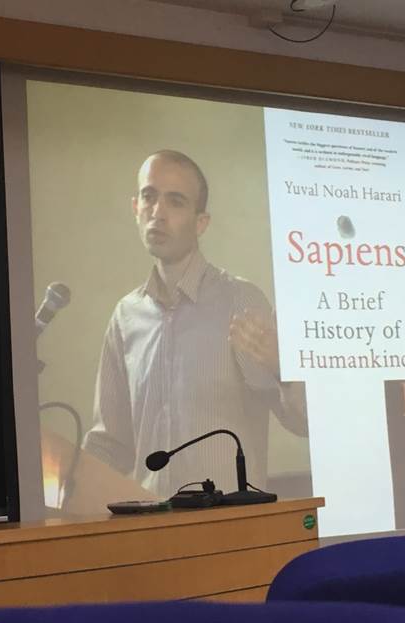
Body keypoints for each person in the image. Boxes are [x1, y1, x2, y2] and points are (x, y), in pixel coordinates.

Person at [83, 150, 307, 498]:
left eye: (175, 201)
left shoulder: (241, 301)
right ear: (136, 208)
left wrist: (284, 369)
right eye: (149, 196)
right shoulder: (125, 315)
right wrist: (63, 484)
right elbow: (111, 443)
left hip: (230, 521)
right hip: (151, 520)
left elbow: (301, 423)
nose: (157, 212)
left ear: (201, 222)